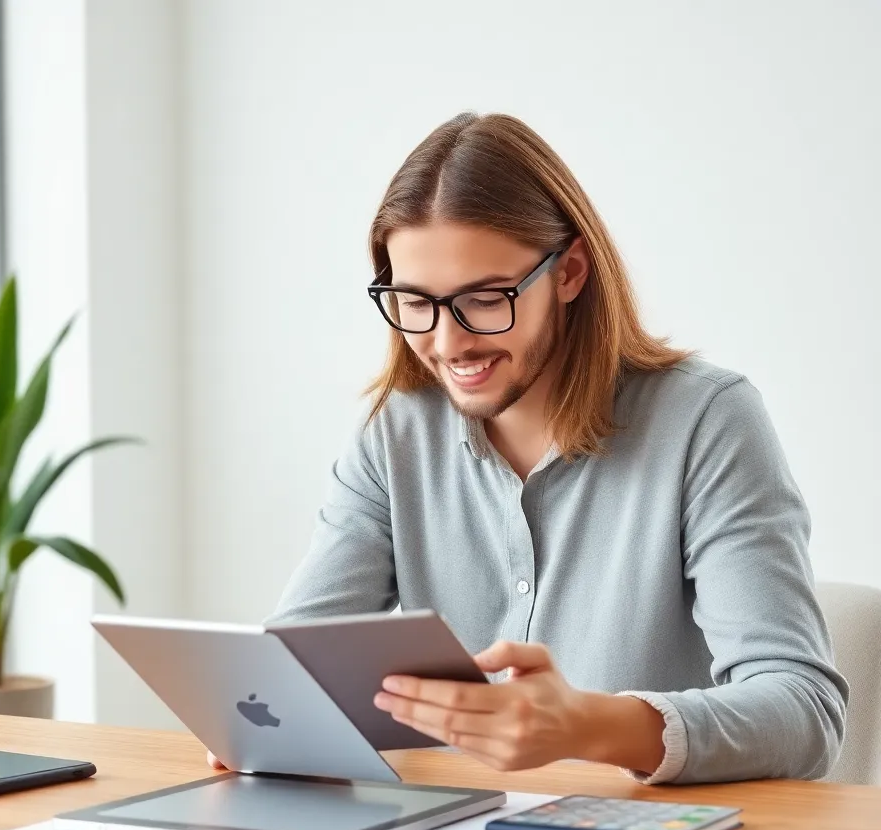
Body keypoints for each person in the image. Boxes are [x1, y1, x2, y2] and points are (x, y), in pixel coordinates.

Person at [213, 111, 848, 784]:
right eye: (415, 302)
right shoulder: (397, 432)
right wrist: (256, 717)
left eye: (485, 300)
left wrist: (586, 725)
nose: (447, 343)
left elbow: (804, 713)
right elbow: (288, 668)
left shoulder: (707, 421)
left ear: (570, 272)